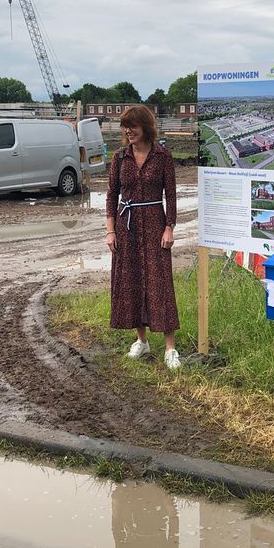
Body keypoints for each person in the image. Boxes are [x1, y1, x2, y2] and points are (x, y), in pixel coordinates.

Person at [106, 105, 181, 369]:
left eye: (133, 126)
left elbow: (171, 195)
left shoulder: (163, 156)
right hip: (126, 226)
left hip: (154, 223)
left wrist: (169, 226)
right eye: (125, 127)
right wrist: (110, 230)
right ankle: (142, 340)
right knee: (132, 281)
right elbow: (111, 194)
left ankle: (170, 348)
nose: (128, 131)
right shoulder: (119, 157)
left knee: (160, 282)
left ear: (145, 127)